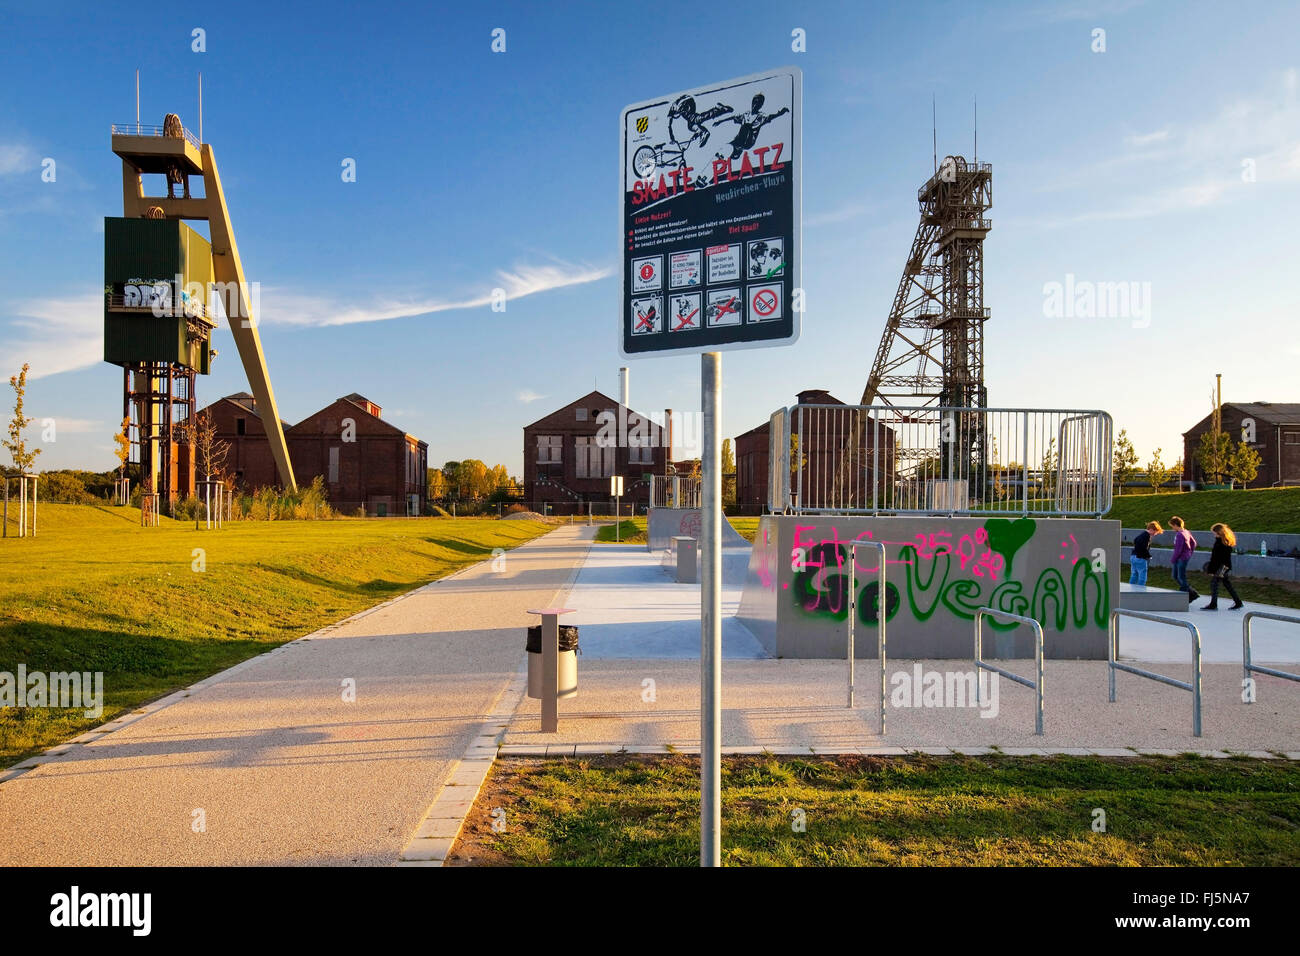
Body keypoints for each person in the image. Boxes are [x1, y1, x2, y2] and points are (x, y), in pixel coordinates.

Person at [1202, 523, 1244, 610]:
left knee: (1214, 583)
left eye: (1214, 532)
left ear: (1218, 532)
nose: (1213, 534)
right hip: (1225, 566)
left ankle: (1213, 604)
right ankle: (1238, 602)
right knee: (1226, 584)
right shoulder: (1225, 541)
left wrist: (1211, 569)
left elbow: (1216, 557)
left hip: (1222, 567)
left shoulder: (1220, 542)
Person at [1168, 516, 1199, 603]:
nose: (1172, 528)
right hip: (1184, 557)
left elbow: (1178, 549)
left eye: (1172, 526)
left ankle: (1186, 596)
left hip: (1180, 558)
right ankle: (1192, 593)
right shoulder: (1186, 531)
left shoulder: (1180, 534)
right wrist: (1189, 552)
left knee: (1180, 577)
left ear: (1175, 525)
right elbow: (1194, 543)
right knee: (1176, 576)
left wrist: (1173, 559)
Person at [1130, 520, 1162, 586]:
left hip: (1133, 556)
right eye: (1156, 532)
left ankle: (1131, 589)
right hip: (1140, 558)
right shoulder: (1147, 536)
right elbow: (1143, 548)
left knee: (1134, 574)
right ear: (1151, 529)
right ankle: (1141, 592)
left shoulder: (1141, 534)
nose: (1155, 534)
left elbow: (1135, 541)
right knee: (1142, 576)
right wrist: (1148, 556)